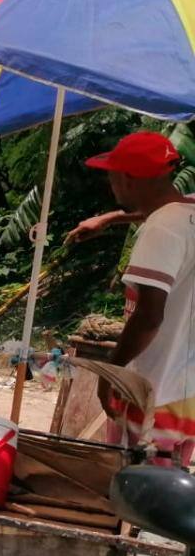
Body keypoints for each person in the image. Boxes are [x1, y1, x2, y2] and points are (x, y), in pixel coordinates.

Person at [83, 131, 195, 467]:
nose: (110, 185)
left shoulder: (162, 229)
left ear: (128, 179)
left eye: (112, 176)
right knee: (172, 494)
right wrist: (112, 217)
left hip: (153, 393)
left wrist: (110, 374)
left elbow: (149, 316)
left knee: (141, 496)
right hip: (185, 397)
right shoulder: (186, 212)